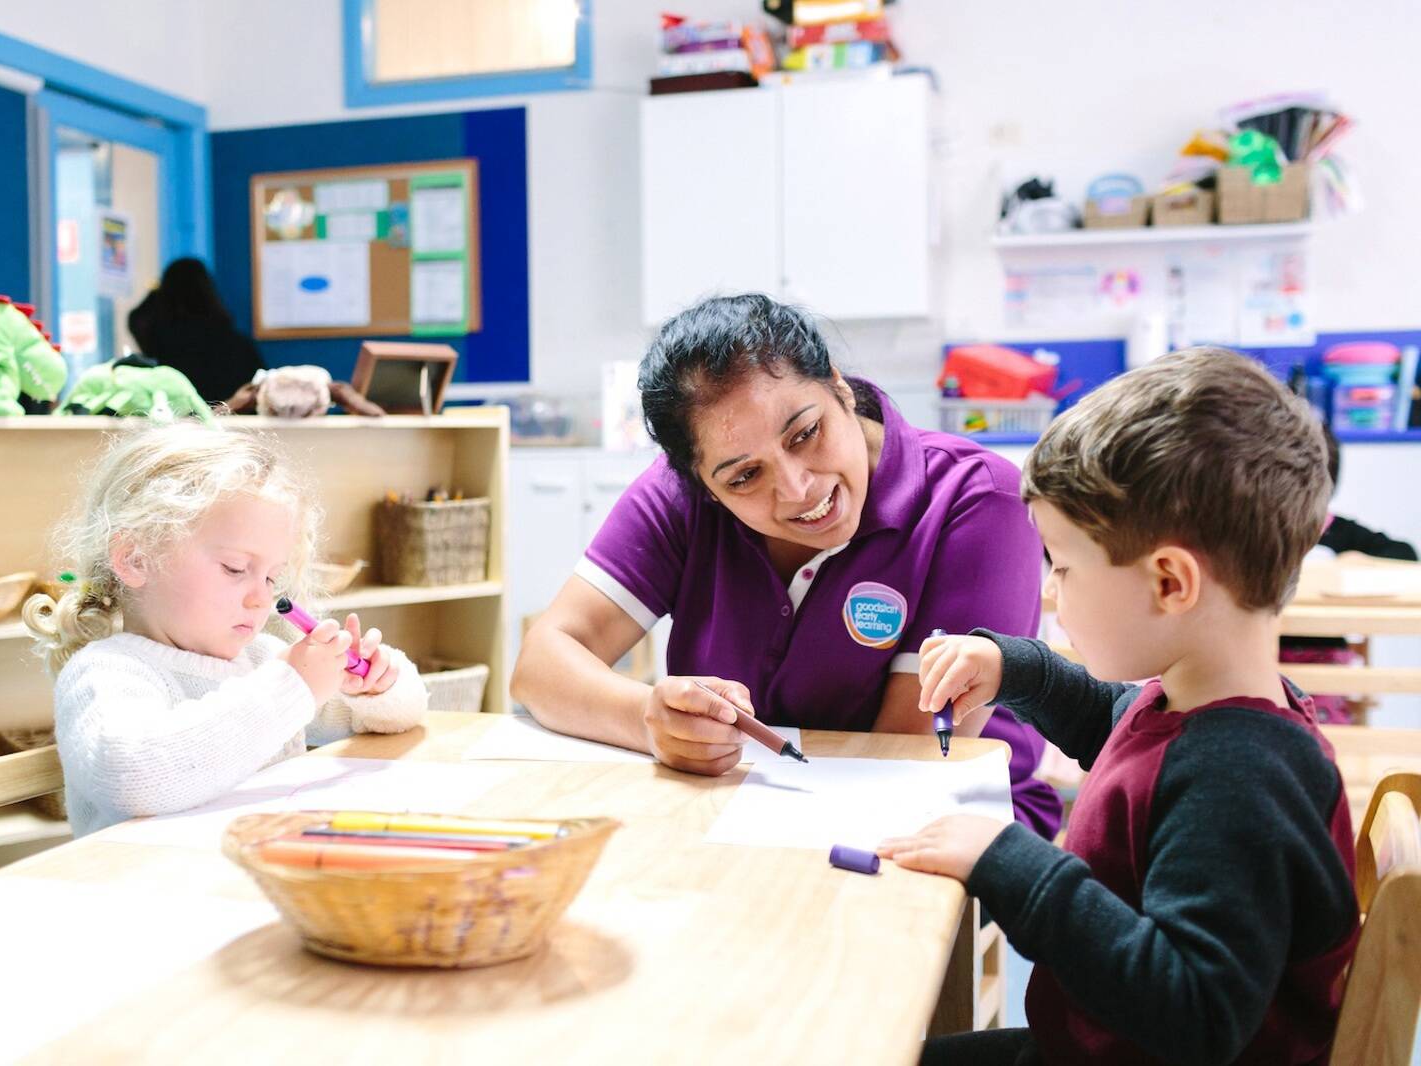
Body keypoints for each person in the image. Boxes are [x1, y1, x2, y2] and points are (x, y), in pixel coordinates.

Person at [879, 348, 1358, 1065]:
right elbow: (1119, 729)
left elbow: (1194, 1012)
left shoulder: (1240, 778)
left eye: (1064, 567)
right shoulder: (1205, 707)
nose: (1049, 593)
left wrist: (1012, 863)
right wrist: (1018, 669)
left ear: (1169, 582)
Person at [512, 294, 1061, 836]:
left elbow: (906, 757)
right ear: (703, 485)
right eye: (744, 477)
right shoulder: (681, 499)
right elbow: (541, 664)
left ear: (840, 388)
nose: (798, 489)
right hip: (742, 808)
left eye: (805, 433)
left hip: (951, 824)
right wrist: (648, 720)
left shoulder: (977, 500)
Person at [24, 422, 427, 835]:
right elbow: (135, 778)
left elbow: (401, 715)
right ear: (137, 559)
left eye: (272, 578)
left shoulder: (262, 659)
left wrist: (377, 685)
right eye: (235, 569)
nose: (261, 599)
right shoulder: (106, 673)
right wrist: (292, 687)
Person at [1280, 420, 1418, 723]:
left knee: (1321, 722)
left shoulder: (1340, 532)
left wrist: (1356, 560)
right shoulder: (1264, 534)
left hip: (1326, 658)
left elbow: (1405, 554)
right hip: (1269, 655)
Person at [128, 258, 266, 405]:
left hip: (174, 425)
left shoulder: (161, 345)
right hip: (232, 424)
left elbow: (136, 319)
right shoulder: (237, 345)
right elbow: (258, 393)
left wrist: (155, 291)